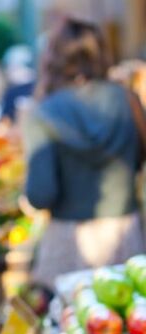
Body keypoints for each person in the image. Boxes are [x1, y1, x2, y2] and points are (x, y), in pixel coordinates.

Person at [23, 17, 145, 290]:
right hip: (126, 236)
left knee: (72, 325)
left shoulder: (43, 113)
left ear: (52, 58)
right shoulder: (128, 99)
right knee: (131, 324)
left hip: (69, 242)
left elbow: (41, 195)